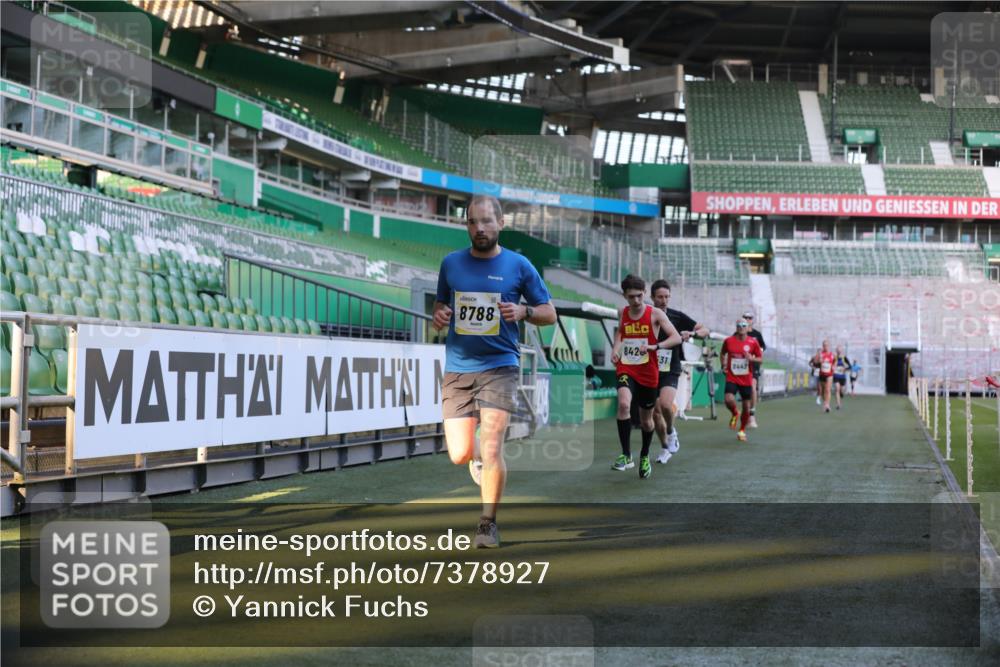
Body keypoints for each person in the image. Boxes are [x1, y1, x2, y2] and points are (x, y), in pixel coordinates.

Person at [432, 195, 557, 548]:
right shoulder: (451, 264)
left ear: (501, 223)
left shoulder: (519, 265)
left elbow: (549, 313)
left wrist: (523, 313)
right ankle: (477, 462)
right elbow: (441, 308)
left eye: (486, 221)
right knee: (460, 453)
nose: (480, 228)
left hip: (500, 365)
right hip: (458, 368)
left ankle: (487, 524)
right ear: (466, 225)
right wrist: (438, 317)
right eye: (473, 222)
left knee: (491, 444)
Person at [611, 274, 681, 479]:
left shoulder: (655, 314)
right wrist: (616, 349)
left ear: (644, 294)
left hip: (648, 372)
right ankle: (626, 455)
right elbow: (620, 334)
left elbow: (675, 337)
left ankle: (644, 455)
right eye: (631, 297)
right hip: (626, 367)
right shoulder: (622, 313)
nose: (636, 301)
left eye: (640, 296)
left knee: (647, 421)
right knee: (624, 404)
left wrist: (655, 346)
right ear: (624, 296)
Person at [649, 280, 709, 464]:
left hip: (670, 367)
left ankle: (671, 432)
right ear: (652, 297)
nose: (664, 300)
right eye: (660, 297)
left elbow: (704, 330)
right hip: (649, 368)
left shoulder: (676, 316)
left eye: (667, 296)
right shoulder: (646, 315)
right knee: (655, 413)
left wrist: (691, 334)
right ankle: (664, 447)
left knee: (666, 405)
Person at [720, 319, 763, 442]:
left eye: (744, 325)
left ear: (748, 327)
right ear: (736, 327)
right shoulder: (729, 341)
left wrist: (751, 359)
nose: (741, 327)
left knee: (746, 406)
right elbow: (723, 353)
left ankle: (742, 430)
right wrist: (723, 365)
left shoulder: (753, 342)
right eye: (739, 325)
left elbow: (760, 359)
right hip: (732, 376)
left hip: (746, 378)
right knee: (728, 399)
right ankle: (734, 413)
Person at [743, 310, 766, 428]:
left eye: (749, 318)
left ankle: (752, 414)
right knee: (744, 392)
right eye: (745, 317)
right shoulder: (737, 334)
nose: (747, 320)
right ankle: (745, 413)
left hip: (753, 366)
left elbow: (763, 349)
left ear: (752, 320)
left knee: (752, 388)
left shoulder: (757, 335)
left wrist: (754, 355)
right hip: (740, 367)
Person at [816, 340, 836, 413]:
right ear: (822, 346)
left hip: (829, 374)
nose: (826, 347)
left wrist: (834, 366)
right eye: (824, 345)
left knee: (828, 389)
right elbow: (815, 363)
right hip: (822, 374)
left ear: (829, 346)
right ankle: (825, 403)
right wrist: (819, 361)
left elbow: (835, 361)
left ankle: (827, 405)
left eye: (827, 345)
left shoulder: (832, 354)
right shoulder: (820, 354)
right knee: (823, 390)